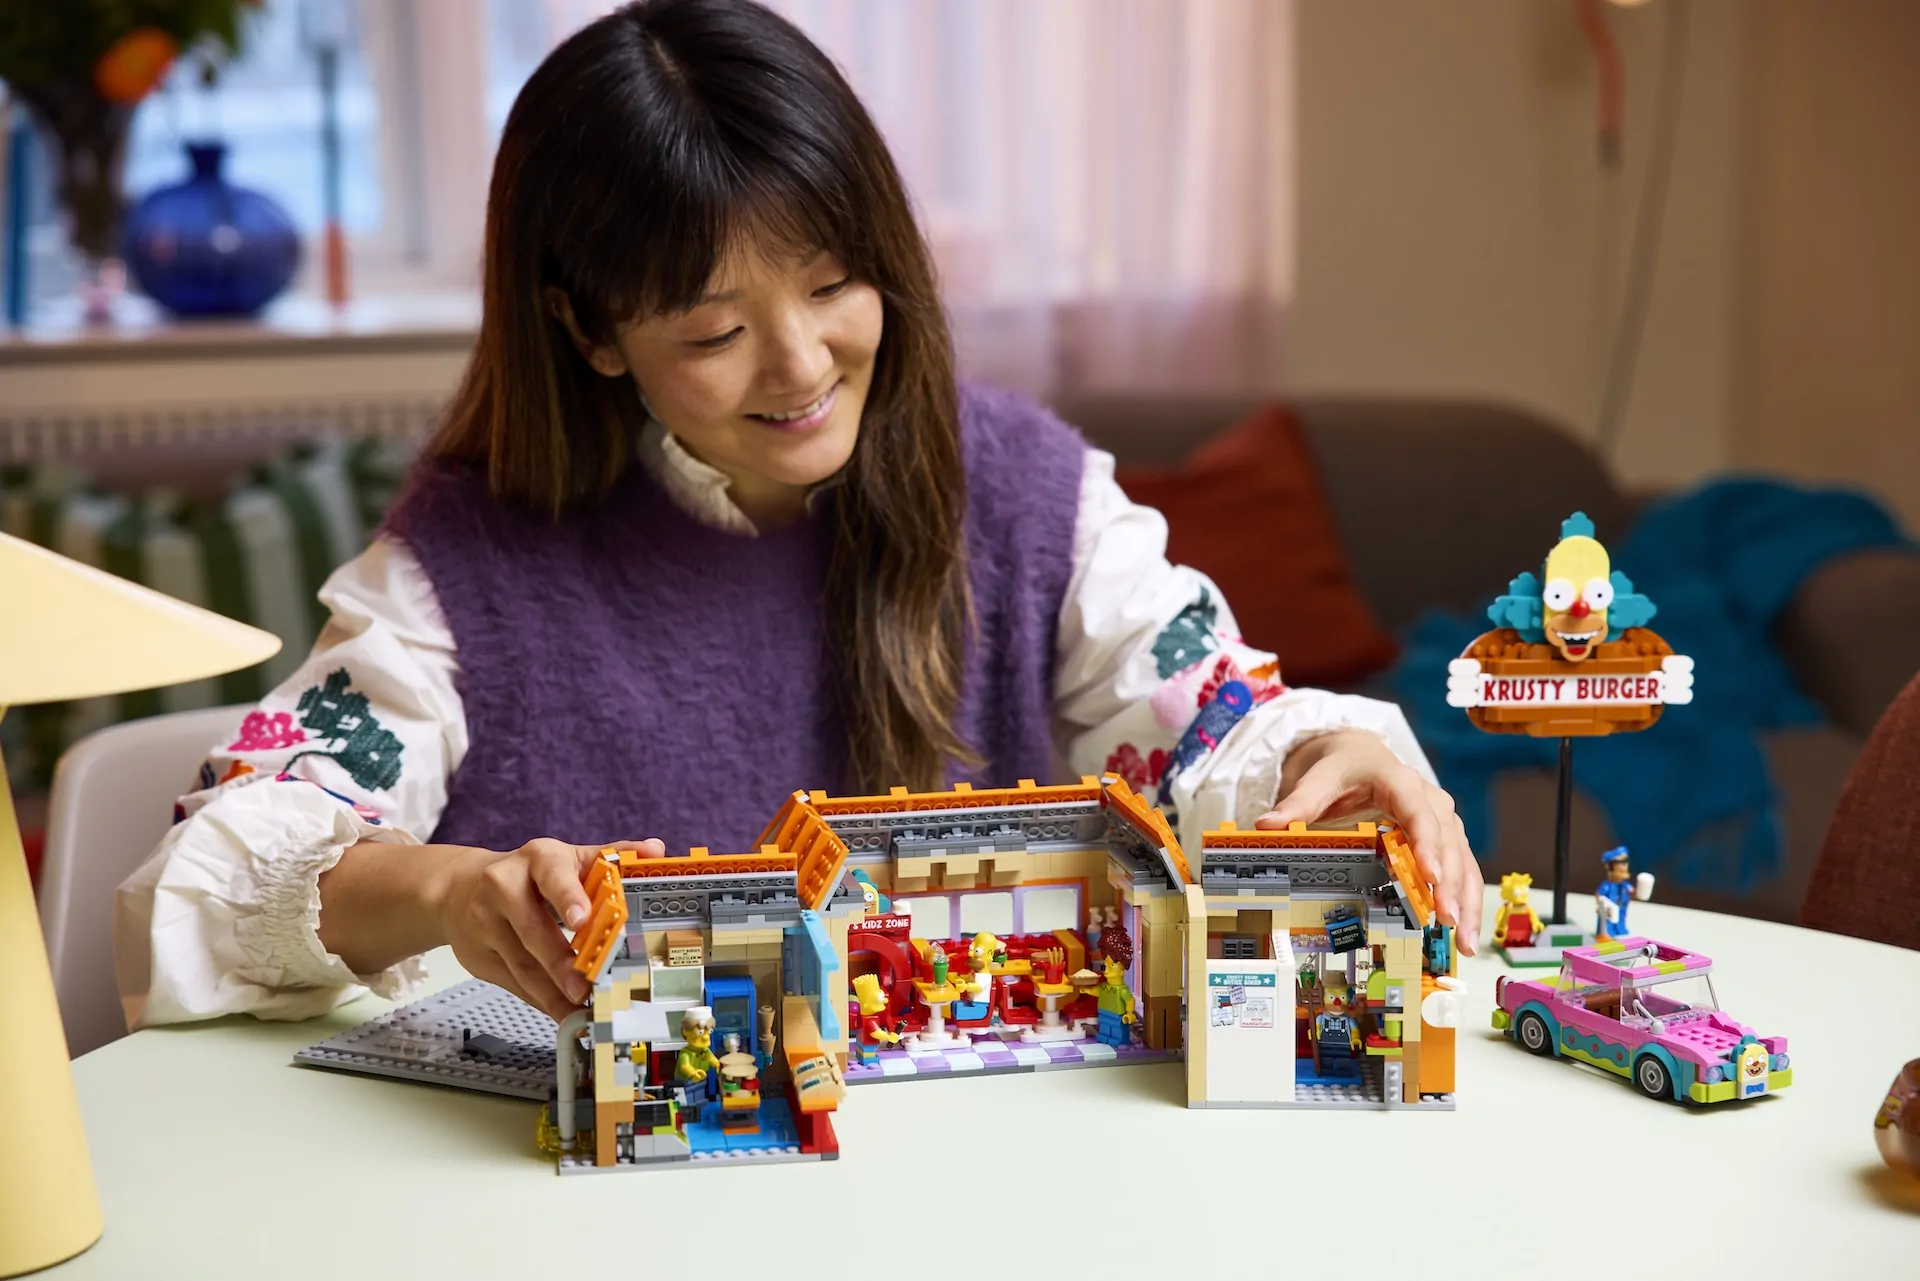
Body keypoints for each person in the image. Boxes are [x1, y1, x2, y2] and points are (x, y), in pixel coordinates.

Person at [113, 0, 1482, 1031]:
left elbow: (1216, 723)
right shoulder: (464, 571)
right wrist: (447, 891)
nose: (802, 365)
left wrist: (1337, 757)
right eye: (715, 330)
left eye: (834, 284)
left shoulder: (1030, 498)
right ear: (591, 332)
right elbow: (208, 878)